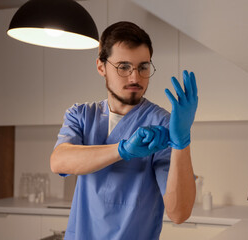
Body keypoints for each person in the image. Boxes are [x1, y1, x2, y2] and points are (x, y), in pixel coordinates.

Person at [50, 21, 198, 240]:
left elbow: (179, 213)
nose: (135, 78)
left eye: (143, 67)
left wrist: (182, 143)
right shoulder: (81, 115)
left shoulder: (163, 124)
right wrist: (123, 150)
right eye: (123, 67)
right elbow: (59, 162)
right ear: (101, 67)